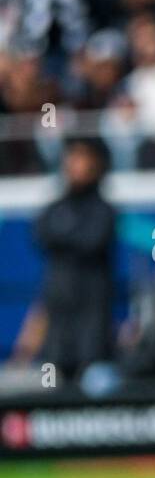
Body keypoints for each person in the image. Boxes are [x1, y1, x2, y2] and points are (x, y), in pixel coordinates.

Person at [8, 140, 118, 381]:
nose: (76, 165)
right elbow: (42, 233)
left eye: (83, 158)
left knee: (93, 384)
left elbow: (92, 239)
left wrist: (66, 236)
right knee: (52, 386)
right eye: (72, 158)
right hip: (59, 323)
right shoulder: (54, 208)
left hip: (91, 322)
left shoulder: (104, 210)